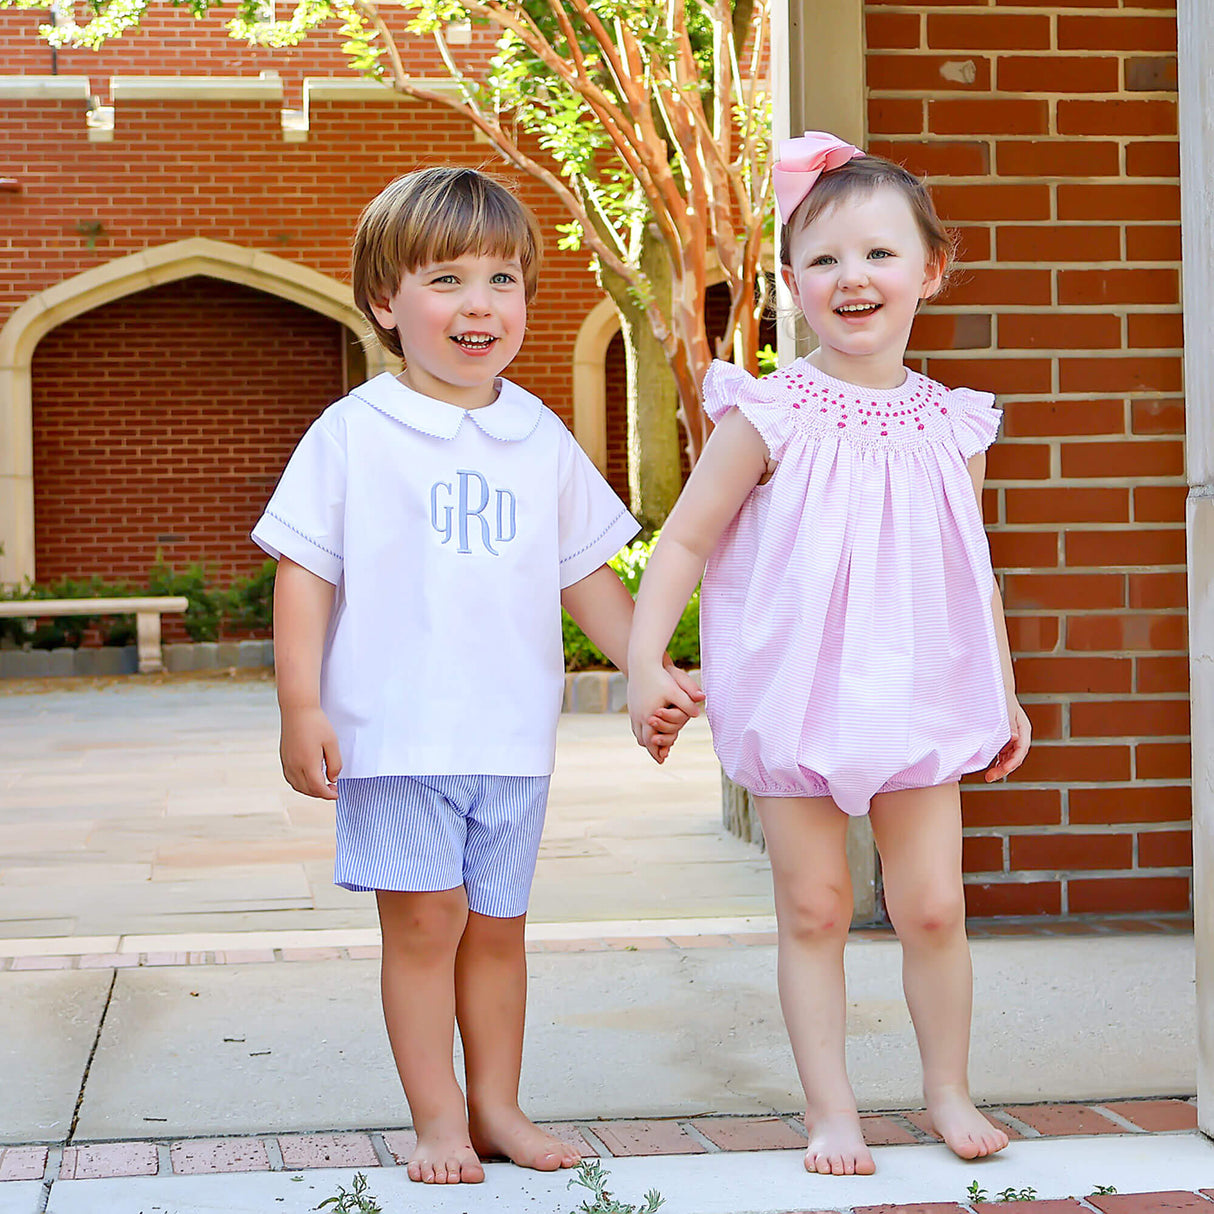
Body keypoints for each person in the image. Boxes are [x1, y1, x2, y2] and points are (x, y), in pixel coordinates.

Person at [253, 167, 699, 1186]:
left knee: (497, 929)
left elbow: (581, 568)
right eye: (446, 279)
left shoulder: (533, 431)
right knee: (423, 926)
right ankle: (437, 1118)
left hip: (508, 738)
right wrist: (301, 705)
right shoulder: (354, 433)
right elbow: (304, 573)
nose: (478, 305)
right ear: (384, 302)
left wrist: (644, 669)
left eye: (503, 279)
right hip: (394, 734)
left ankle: (497, 1104)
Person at [626, 132, 1032, 1178]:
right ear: (793, 282)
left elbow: (968, 566)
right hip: (798, 687)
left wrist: (1002, 688)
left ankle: (946, 1088)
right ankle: (831, 1109)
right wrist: (642, 658)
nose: (851, 278)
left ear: (928, 270)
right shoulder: (766, 411)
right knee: (812, 906)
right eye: (822, 259)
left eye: (878, 255)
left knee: (930, 903)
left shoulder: (953, 423)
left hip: (915, 687)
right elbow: (683, 539)